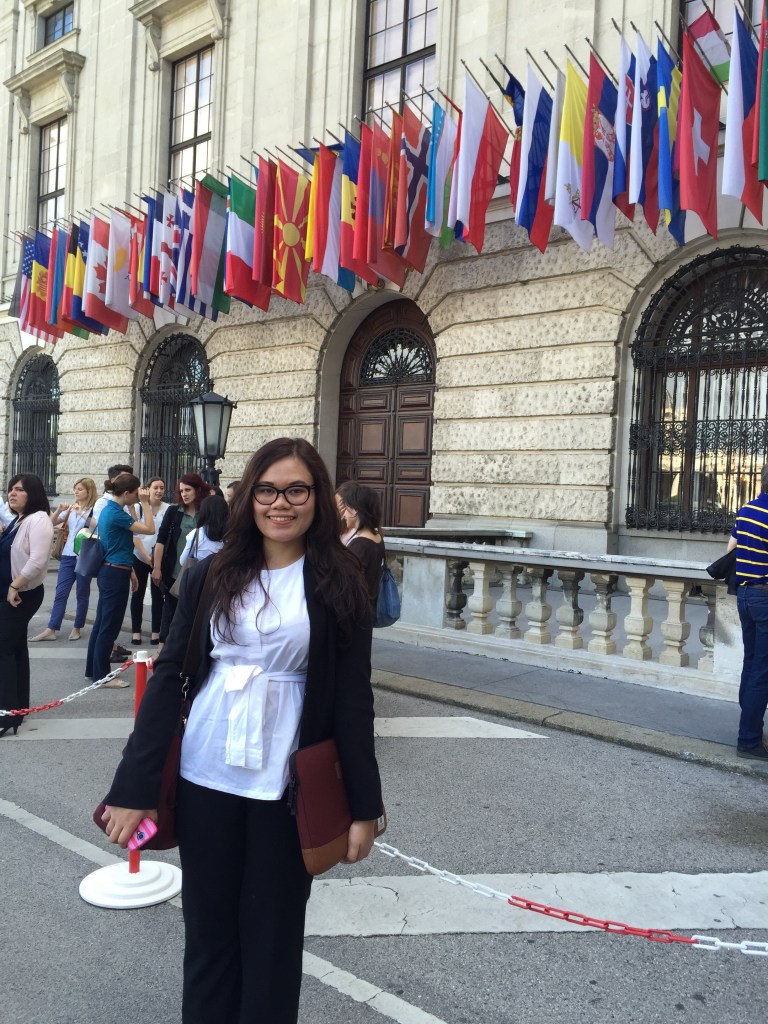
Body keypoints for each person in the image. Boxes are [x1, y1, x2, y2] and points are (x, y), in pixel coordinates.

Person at [101, 437, 382, 1024]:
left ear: (317, 500)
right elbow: (172, 673)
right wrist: (133, 787)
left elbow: (354, 699)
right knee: (209, 938)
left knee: (274, 943)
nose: (282, 503)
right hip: (207, 773)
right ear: (249, 497)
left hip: (287, 785)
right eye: (268, 489)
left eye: (297, 490)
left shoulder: (340, 581)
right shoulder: (211, 573)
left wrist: (364, 805)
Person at [85, 474, 155, 689]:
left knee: (101, 623)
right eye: (136, 492)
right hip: (115, 574)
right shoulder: (116, 514)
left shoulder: (110, 510)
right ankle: (103, 676)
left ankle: (94, 670)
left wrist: (131, 570)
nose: (139, 494)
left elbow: (122, 542)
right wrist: (145, 503)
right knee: (109, 625)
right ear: (127, 493)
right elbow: (150, 529)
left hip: (113, 570)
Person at [0, 474, 54, 737]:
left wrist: (14, 586)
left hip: (20, 594)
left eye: (19, 490)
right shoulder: (19, 521)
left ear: (32, 494)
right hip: (9, 593)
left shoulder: (39, 519)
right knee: (15, 649)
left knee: (4, 650)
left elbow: (38, 560)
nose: (12, 493)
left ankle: (6, 713)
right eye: (11, 490)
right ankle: (16, 710)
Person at [727, 464, 768, 760]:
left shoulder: (746, 510)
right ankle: (749, 739)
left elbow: (731, 549)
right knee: (762, 672)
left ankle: (748, 726)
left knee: (752, 662)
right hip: (765, 598)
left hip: (744, 595)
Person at [31, 477, 98, 643]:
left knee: (82, 593)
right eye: (75, 489)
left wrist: (80, 512)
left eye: (80, 489)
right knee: (61, 593)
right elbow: (49, 523)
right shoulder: (70, 509)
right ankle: (51, 628)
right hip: (68, 556)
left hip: (85, 556)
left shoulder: (94, 508)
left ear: (88, 491)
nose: (76, 492)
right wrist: (58, 510)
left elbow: (98, 524)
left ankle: (77, 627)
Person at [152, 473, 207, 647]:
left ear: (198, 490)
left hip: (200, 572)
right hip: (174, 570)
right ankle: (162, 648)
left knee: (194, 613)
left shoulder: (206, 512)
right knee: (170, 610)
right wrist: (157, 567)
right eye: (181, 490)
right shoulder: (174, 512)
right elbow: (161, 541)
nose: (184, 494)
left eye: (188, 490)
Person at [130, 478, 170, 646]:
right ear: (147, 489)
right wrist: (147, 558)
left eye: (162, 487)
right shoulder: (138, 508)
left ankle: (156, 631)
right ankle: (136, 632)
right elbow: (134, 535)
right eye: (155, 488)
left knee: (157, 595)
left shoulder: (169, 509)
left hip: (159, 559)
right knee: (137, 594)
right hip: (139, 556)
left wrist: (156, 562)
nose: (159, 491)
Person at [335, 480, 385, 615]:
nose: (343, 515)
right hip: (366, 610)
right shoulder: (375, 536)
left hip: (355, 613)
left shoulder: (360, 544)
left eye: (345, 508)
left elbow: (347, 583)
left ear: (354, 510)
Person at [178, 493, 228, 567]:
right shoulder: (232, 535)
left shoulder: (196, 534)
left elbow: (183, 561)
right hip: (223, 576)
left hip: (201, 577)